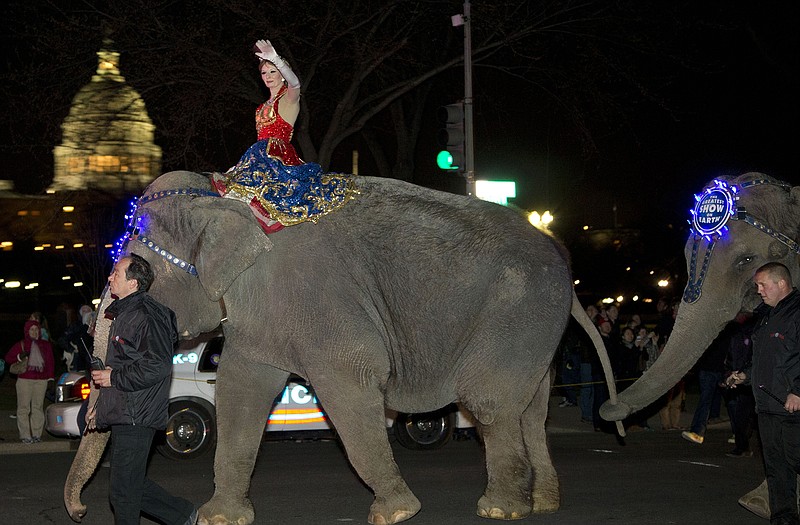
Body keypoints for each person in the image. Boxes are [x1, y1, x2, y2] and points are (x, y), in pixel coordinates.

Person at [88, 254, 197, 525]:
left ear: (133, 283)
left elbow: (156, 366)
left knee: (123, 494)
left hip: (137, 414)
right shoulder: (126, 314)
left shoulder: (146, 315)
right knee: (127, 487)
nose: (110, 277)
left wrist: (113, 377)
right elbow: (127, 364)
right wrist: (100, 405)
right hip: (126, 411)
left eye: (116, 273)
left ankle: (185, 515)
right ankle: (185, 515)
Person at [211, 39, 357, 234]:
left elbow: (296, 84)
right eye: (264, 72)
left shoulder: (288, 99)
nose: (268, 76)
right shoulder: (260, 108)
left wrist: (276, 59)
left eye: (273, 71)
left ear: (282, 75)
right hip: (257, 158)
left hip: (278, 156)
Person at [728, 262, 800, 525]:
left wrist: (798, 391)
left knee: (795, 459)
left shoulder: (797, 311)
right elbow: (767, 358)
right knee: (777, 469)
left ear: (781, 283)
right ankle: (784, 518)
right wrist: (746, 375)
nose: (759, 291)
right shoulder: (766, 315)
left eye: (762, 284)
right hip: (767, 405)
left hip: (792, 406)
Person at [4, 319, 55, 443]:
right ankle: (25, 435)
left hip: (41, 380)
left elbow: (50, 362)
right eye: (31, 329)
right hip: (24, 380)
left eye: (36, 329)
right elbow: (8, 358)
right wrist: (19, 356)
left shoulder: (45, 345)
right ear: (27, 331)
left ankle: (37, 434)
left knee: (37, 407)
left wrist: (50, 377)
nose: (34, 332)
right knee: (23, 408)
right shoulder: (22, 344)